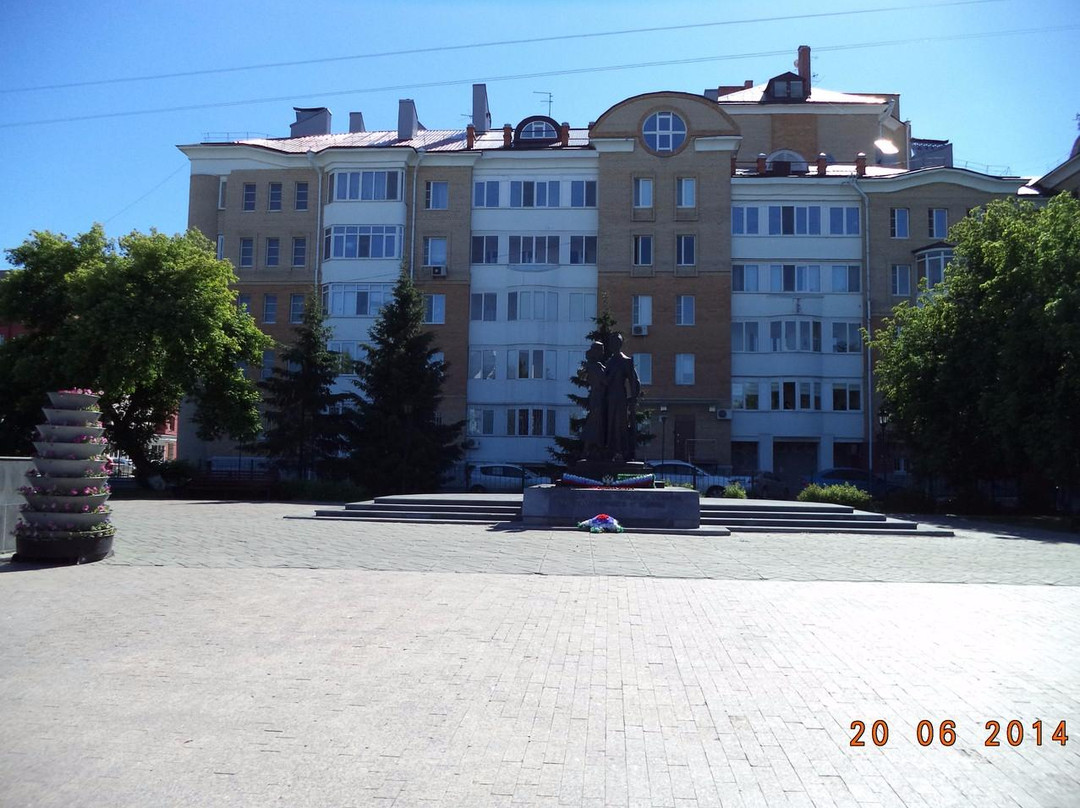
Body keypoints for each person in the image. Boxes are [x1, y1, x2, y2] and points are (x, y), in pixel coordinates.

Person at [603, 332, 641, 462]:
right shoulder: (610, 362)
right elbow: (604, 381)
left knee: (620, 425)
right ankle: (610, 451)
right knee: (609, 425)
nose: (612, 345)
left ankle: (621, 451)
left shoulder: (626, 361)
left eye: (615, 343)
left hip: (620, 397)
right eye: (612, 343)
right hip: (609, 398)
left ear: (619, 344)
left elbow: (634, 381)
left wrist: (633, 398)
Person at [580, 341, 607, 459]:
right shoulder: (595, 366)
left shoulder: (595, 365)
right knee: (595, 422)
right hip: (598, 397)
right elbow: (604, 381)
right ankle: (589, 448)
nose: (602, 353)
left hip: (598, 397)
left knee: (596, 422)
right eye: (601, 350)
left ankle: (591, 448)